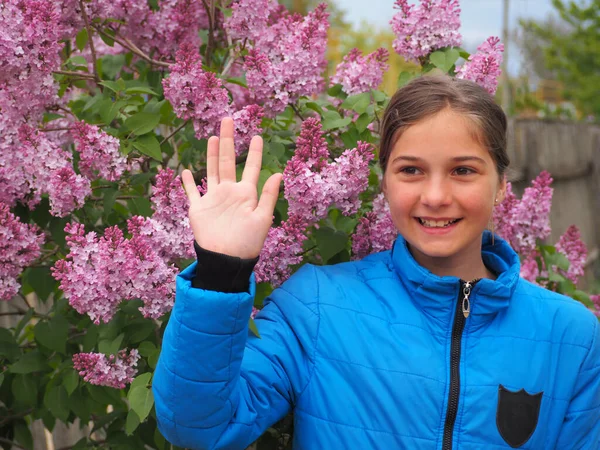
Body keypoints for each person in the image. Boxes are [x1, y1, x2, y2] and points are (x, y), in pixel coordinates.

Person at [152, 76, 600, 450]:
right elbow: (198, 426)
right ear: (383, 180)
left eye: (464, 170)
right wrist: (219, 271)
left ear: (502, 184)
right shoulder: (316, 306)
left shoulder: (571, 337)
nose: (436, 196)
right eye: (411, 170)